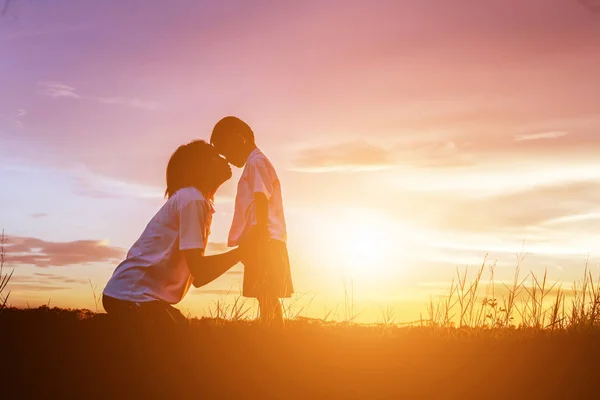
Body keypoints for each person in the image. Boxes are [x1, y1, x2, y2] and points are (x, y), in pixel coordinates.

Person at [102, 140, 241, 328]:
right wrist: (242, 253)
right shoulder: (192, 200)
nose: (224, 159)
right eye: (216, 156)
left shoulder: (193, 199)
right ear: (203, 165)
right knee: (181, 343)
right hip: (131, 297)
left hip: (128, 295)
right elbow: (200, 271)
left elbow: (197, 278)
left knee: (183, 334)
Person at [210, 116, 294, 326]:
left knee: (266, 290)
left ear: (239, 140)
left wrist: (257, 239)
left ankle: (275, 335)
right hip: (262, 237)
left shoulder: (257, 162)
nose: (227, 159)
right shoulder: (255, 163)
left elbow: (261, 198)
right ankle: (272, 332)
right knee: (263, 292)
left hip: (264, 239)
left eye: (226, 151)